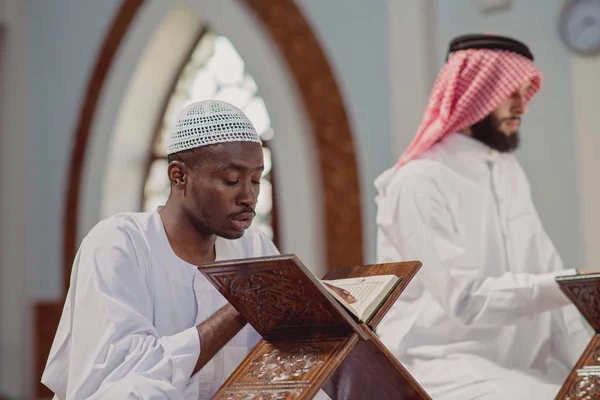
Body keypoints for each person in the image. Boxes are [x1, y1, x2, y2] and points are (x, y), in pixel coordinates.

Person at [41, 100, 342, 399]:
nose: (249, 197)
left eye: (255, 180)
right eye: (232, 180)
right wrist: (243, 305)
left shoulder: (254, 247)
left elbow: (290, 359)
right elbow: (121, 384)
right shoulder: (119, 245)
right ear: (179, 176)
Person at [374, 34, 592, 399]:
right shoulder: (417, 181)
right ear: (473, 93)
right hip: (440, 366)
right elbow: (466, 302)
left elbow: (551, 285)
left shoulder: (508, 172)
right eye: (510, 91)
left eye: (526, 92)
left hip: (522, 368)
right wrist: (568, 284)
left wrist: (590, 365)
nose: (522, 106)